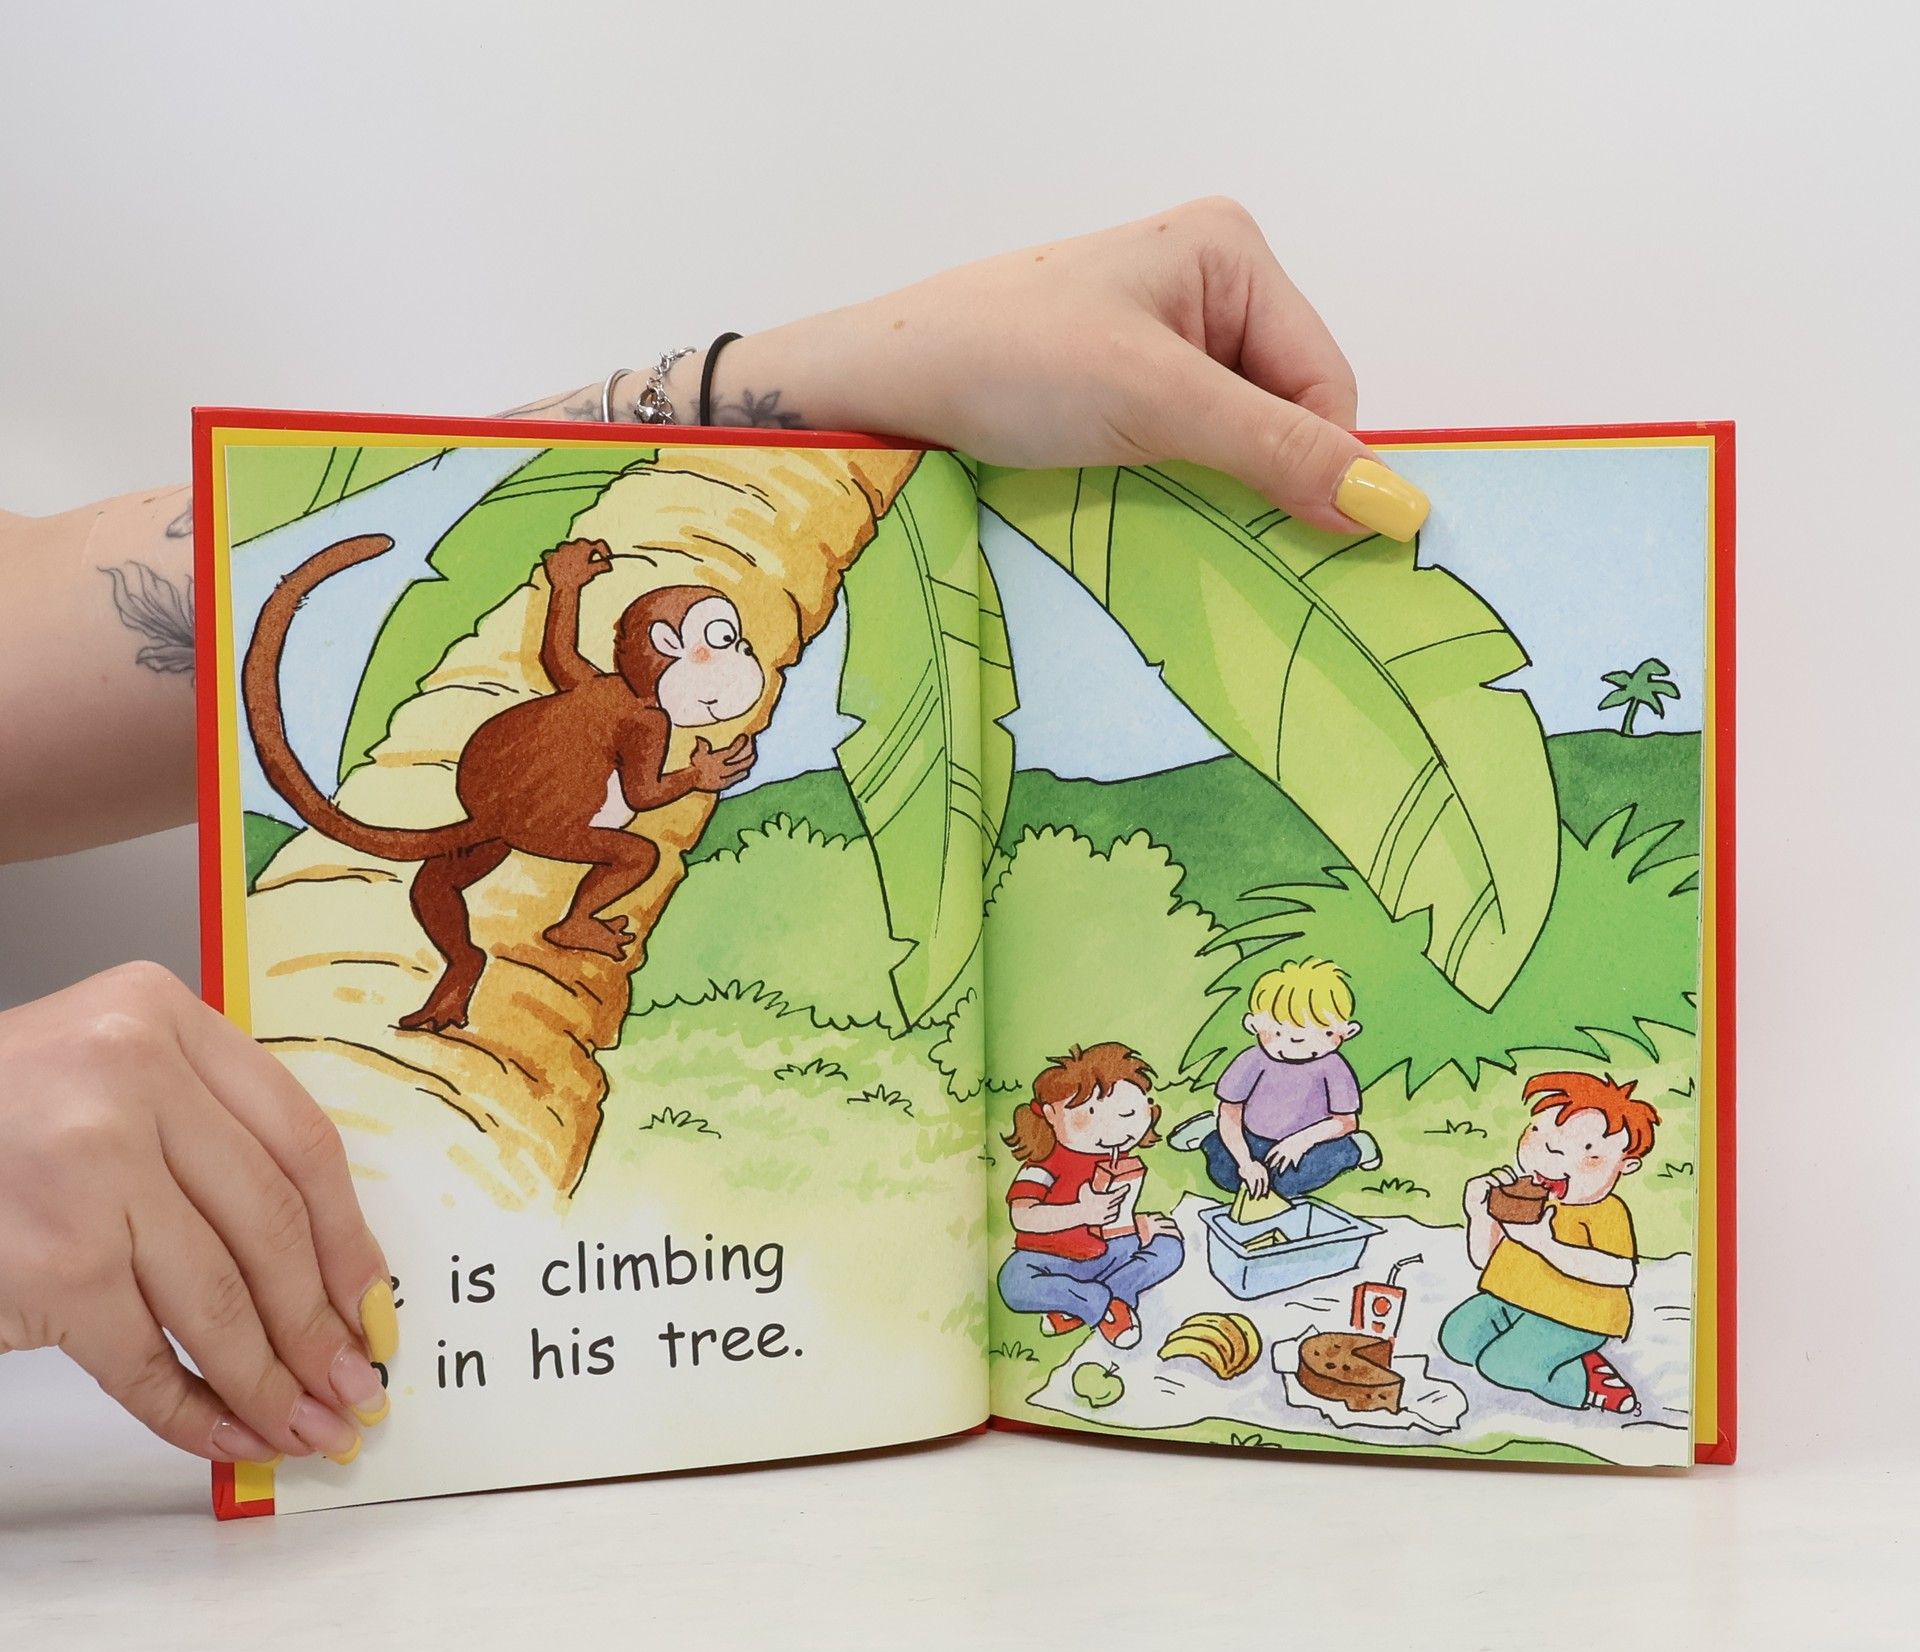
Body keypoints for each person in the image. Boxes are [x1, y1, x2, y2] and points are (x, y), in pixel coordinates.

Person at [0, 198, 1430, 1464]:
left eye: (718, 643)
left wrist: (829, 377)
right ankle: (520, 949)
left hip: (495, 820)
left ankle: (471, 966)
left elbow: (69, 627)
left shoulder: (615, 691)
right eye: (689, 642)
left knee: (471, 897)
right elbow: (627, 771)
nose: (709, 660)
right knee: (586, 870)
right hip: (516, 836)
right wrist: (697, 749)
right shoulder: (630, 715)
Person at [1439, 1071, 1658, 1416]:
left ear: (1625, 1165)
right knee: (1458, 1339)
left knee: (1502, 1365)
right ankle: (1563, 1355)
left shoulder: (1605, 1211)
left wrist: (1545, 1244)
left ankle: (1587, 1383)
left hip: (1579, 1316)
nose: (1551, 1151)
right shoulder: (1525, 1198)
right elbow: (1484, 1260)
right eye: (1538, 1133)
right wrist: (1479, 1214)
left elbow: (1620, 1272)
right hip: (1514, 1299)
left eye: (1587, 1152)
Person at [996, 1044, 1183, 1351]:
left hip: (1110, 1251)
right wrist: (1081, 1212)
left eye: (1127, 1113)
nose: (1114, 1130)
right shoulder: (1044, 1164)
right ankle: (1103, 1302)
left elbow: (1118, 1217)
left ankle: (1078, 1307)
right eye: (1091, 1113)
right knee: (1013, 1282)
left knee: (1170, 1248)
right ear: (1051, 1114)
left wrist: (1139, 1225)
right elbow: (1022, 1215)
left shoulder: (1119, 1158)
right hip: (1050, 1259)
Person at [1186, 957, 1378, 1200]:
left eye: (1323, 1032)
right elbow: (1231, 1110)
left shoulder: (1334, 1067)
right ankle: (1210, 1130)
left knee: (1286, 1184)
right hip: (1253, 1135)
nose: (1297, 1042)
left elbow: (1345, 1121)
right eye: (1278, 1032)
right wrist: (1246, 1163)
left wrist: (1300, 1141)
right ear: (1254, 1025)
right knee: (1225, 1174)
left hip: (1311, 1140)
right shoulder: (1251, 1060)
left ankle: (1358, 1147)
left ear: (1346, 1032)